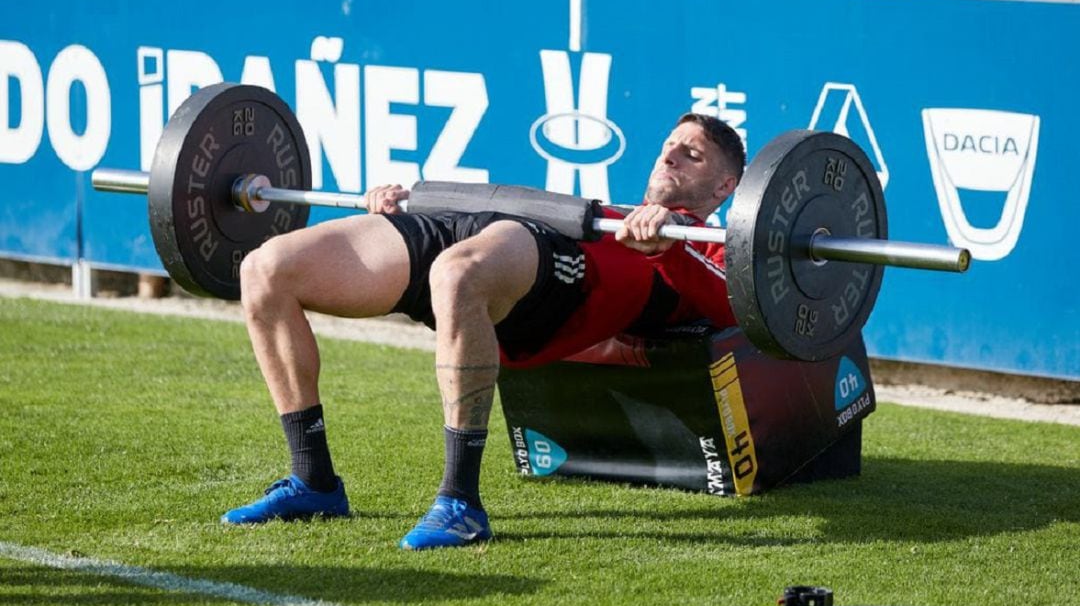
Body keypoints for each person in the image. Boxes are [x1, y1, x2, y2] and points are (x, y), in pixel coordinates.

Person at [221, 112, 746, 549]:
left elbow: (735, 305)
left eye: (691, 155)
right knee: (266, 270)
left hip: (557, 271)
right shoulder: (618, 211)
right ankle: (313, 480)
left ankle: (460, 502)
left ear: (726, 187)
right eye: (669, 145)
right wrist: (406, 206)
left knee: (456, 273)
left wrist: (669, 244)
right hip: (493, 222)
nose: (670, 156)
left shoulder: (708, 243)